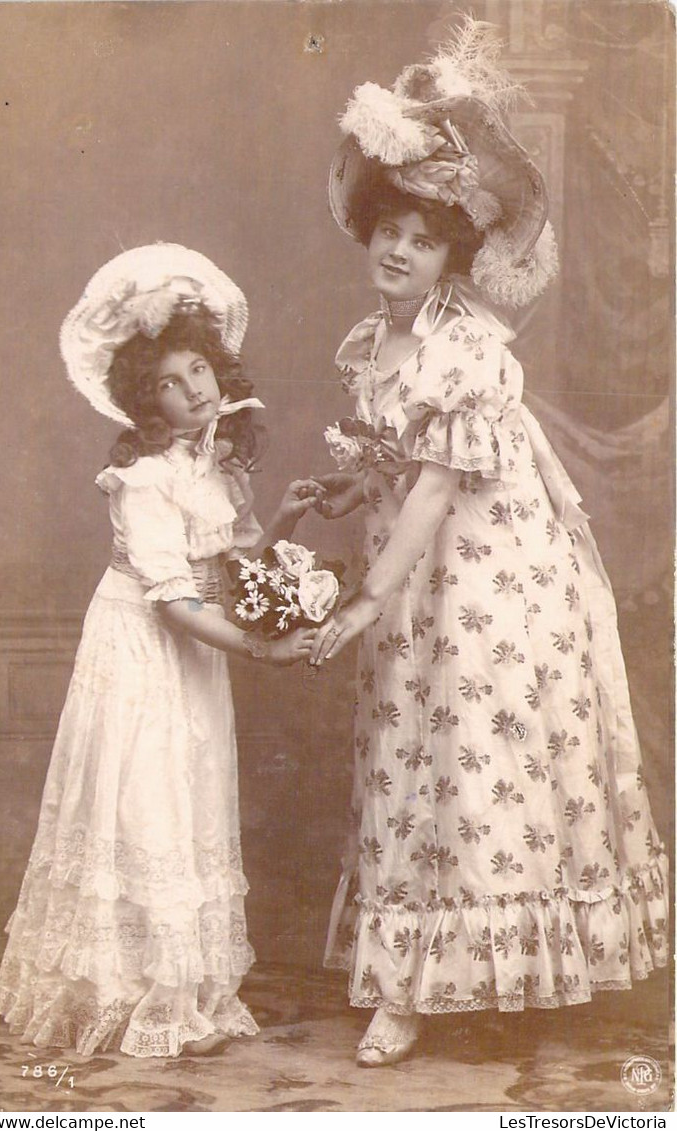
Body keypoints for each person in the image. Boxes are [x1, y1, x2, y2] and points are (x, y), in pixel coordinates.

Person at [310, 20, 668, 1068]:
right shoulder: (376, 342)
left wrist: (367, 597)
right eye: (387, 230)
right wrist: (343, 485)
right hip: (415, 577)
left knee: (475, 761)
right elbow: (395, 467)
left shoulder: (468, 350)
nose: (396, 250)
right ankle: (411, 983)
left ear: (453, 256)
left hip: (487, 589)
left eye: (421, 240)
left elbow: (433, 491)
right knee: (411, 764)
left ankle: (474, 983)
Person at [0, 243, 322, 1058]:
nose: (192, 390)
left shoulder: (213, 462)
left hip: (196, 643)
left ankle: (186, 990)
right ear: (146, 401)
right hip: (144, 646)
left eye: (199, 369)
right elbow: (172, 599)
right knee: (144, 798)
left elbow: (229, 559)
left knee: (189, 793)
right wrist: (263, 650)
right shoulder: (142, 479)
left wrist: (281, 518)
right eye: (169, 383)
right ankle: (135, 991)